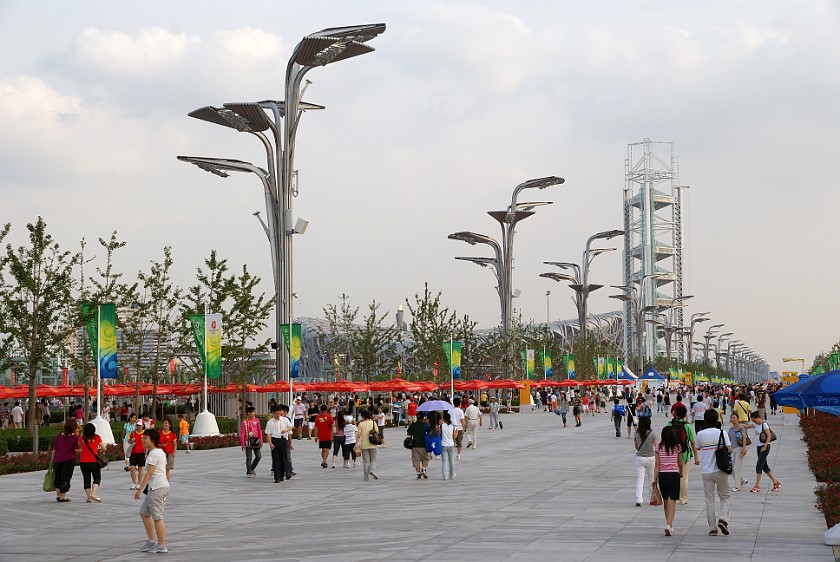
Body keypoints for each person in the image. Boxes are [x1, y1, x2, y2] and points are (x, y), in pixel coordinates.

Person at [695, 409, 732, 536]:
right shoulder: (722, 432)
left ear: (705, 420)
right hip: (720, 470)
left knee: (709, 500)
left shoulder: (700, 434)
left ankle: (712, 528)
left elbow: (698, 447)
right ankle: (723, 518)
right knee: (725, 496)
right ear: (717, 419)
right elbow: (730, 448)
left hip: (706, 472)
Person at [135, 428, 170, 554]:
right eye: (143, 437)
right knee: (144, 513)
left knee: (157, 517)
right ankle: (151, 541)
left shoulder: (154, 453)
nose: (143, 439)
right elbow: (164, 470)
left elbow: (149, 473)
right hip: (157, 487)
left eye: (146, 438)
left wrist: (139, 490)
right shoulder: (159, 451)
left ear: (153, 440)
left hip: (156, 488)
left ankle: (162, 545)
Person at [653, 425, 684, 536]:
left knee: (666, 499)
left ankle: (668, 523)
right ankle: (669, 524)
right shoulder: (677, 447)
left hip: (663, 475)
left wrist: (654, 478)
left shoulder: (658, 447)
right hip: (674, 475)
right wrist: (681, 472)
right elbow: (680, 463)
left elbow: (657, 464)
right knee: (673, 500)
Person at [668, 405, 700, 505]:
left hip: (671, 454)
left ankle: (671, 496)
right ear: (685, 415)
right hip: (684, 454)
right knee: (684, 477)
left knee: (671, 476)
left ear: (675, 413)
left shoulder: (669, 424)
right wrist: (696, 458)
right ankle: (683, 499)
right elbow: (693, 443)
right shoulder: (688, 426)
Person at [748, 411, 781, 493]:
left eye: (754, 420)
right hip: (758, 447)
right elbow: (748, 426)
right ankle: (776, 482)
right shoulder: (756, 424)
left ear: (757, 418)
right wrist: (740, 425)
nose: (754, 422)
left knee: (759, 465)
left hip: (765, 447)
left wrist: (765, 446)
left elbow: (769, 435)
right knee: (764, 466)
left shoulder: (764, 424)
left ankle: (757, 486)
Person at [51, 419, 81, 502]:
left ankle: (58, 495)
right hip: (69, 459)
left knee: (58, 477)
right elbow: (76, 450)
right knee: (66, 477)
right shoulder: (74, 437)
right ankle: (62, 497)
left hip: (57, 459)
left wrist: (52, 459)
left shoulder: (59, 435)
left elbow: (55, 448)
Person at [265, 404, 294, 482]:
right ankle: (277, 477)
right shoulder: (270, 422)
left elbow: (291, 426)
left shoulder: (284, 420)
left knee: (283, 458)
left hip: (283, 440)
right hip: (275, 441)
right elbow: (268, 434)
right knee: (276, 459)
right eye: (276, 414)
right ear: (273, 413)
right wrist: (270, 443)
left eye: (279, 414)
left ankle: (283, 474)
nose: (278, 415)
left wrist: (286, 430)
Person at [633, 416, 657, 507]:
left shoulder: (636, 433)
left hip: (640, 458)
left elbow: (636, 446)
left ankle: (638, 499)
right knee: (651, 479)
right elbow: (657, 446)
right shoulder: (652, 434)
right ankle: (652, 499)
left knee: (640, 479)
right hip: (651, 458)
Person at [727, 413, 749, 491]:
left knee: (737, 468)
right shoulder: (730, 429)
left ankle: (737, 486)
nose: (732, 419)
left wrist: (743, 449)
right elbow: (728, 440)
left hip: (739, 449)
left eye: (734, 417)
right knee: (732, 468)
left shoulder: (741, 427)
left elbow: (744, 438)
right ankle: (741, 480)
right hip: (732, 450)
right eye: (731, 418)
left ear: (738, 419)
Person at [240, 406, 263, 478]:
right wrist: (242, 443)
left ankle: (252, 467)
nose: (254, 413)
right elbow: (242, 433)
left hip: (256, 440)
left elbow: (259, 430)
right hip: (248, 441)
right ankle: (249, 471)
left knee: (258, 456)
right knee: (249, 457)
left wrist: (261, 440)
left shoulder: (257, 421)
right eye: (252, 412)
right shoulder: (244, 422)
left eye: (254, 412)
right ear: (248, 413)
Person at [357, 409, 379, 481]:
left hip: (364, 445)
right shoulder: (373, 423)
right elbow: (377, 432)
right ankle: (372, 470)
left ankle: (366, 477)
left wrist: (357, 444)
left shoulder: (361, 424)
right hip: (373, 444)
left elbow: (358, 435)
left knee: (366, 461)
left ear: (363, 417)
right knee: (373, 459)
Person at [407, 412, 430, 479]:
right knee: (426, 458)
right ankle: (423, 468)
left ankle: (418, 473)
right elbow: (429, 432)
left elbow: (408, 433)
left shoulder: (413, 424)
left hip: (414, 445)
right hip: (423, 445)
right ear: (423, 418)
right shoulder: (424, 425)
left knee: (416, 460)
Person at [313, 404, 334, 469]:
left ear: (320, 410)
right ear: (326, 409)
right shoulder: (330, 417)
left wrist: (315, 436)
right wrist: (332, 435)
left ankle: (324, 461)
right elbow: (332, 426)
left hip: (321, 436)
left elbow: (316, 428)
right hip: (328, 435)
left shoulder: (318, 418)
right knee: (326, 449)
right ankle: (324, 460)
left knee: (323, 449)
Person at [128, 420, 147, 490]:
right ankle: (133, 483)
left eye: (140, 425)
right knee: (132, 468)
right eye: (137, 425)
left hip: (141, 453)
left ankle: (139, 484)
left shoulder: (145, 433)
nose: (138, 427)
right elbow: (128, 441)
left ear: (143, 425)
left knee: (140, 469)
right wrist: (131, 440)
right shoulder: (133, 433)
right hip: (133, 453)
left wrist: (146, 453)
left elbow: (148, 443)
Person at [439, 411, 458, 480]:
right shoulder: (453, 426)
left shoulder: (441, 426)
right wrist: (456, 432)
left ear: (444, 419)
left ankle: (445, 476)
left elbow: (439, 434)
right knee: (451, 460)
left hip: (443, 444)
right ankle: (452, 474)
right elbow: (454, 437)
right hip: (451, 444)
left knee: (444, 461)